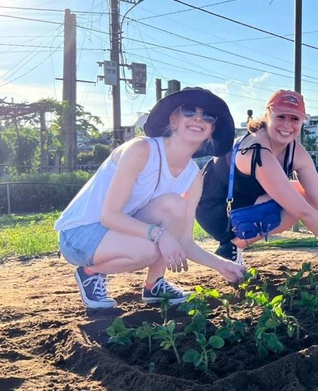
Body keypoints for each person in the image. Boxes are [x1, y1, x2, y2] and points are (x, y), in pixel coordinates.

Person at [55, 87, 246, 309]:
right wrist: (159, 234)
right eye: (189, 111)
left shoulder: (193, 175)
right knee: (151, 249)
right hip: (80, 234)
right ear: (173, 121)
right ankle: (90, 273)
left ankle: (154, 285)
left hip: (121, 231)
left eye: (208, 116)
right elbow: (109, 216)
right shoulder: (141, 149)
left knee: (174, 204)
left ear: (212, 130)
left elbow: (183, 241)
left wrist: (222, 265)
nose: (197, 118)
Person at [197, 89, 318, 273]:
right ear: (268, 115)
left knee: (305, 192)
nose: (287, 125)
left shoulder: (295, 151)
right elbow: (302, 211)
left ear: (302, 121)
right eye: (281, 117)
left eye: (294, 119)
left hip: (246, 202)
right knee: (298, 201)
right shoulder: (257, 150)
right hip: (217, 211)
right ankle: (231, 247)